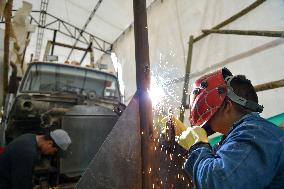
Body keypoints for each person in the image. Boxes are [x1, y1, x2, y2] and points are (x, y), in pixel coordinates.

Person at [175, 68, 284, 188]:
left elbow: (220, 182)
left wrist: (197, 144)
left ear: (227, 105)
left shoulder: (257, 133)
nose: (207, 122)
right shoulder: (236, 140)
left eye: (209, 116)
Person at [0, 129, 71, 189]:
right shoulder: (28, 152)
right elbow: (20, 184)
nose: (51, 153)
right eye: (54, 151)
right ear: (50, 143)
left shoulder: (30, 137)